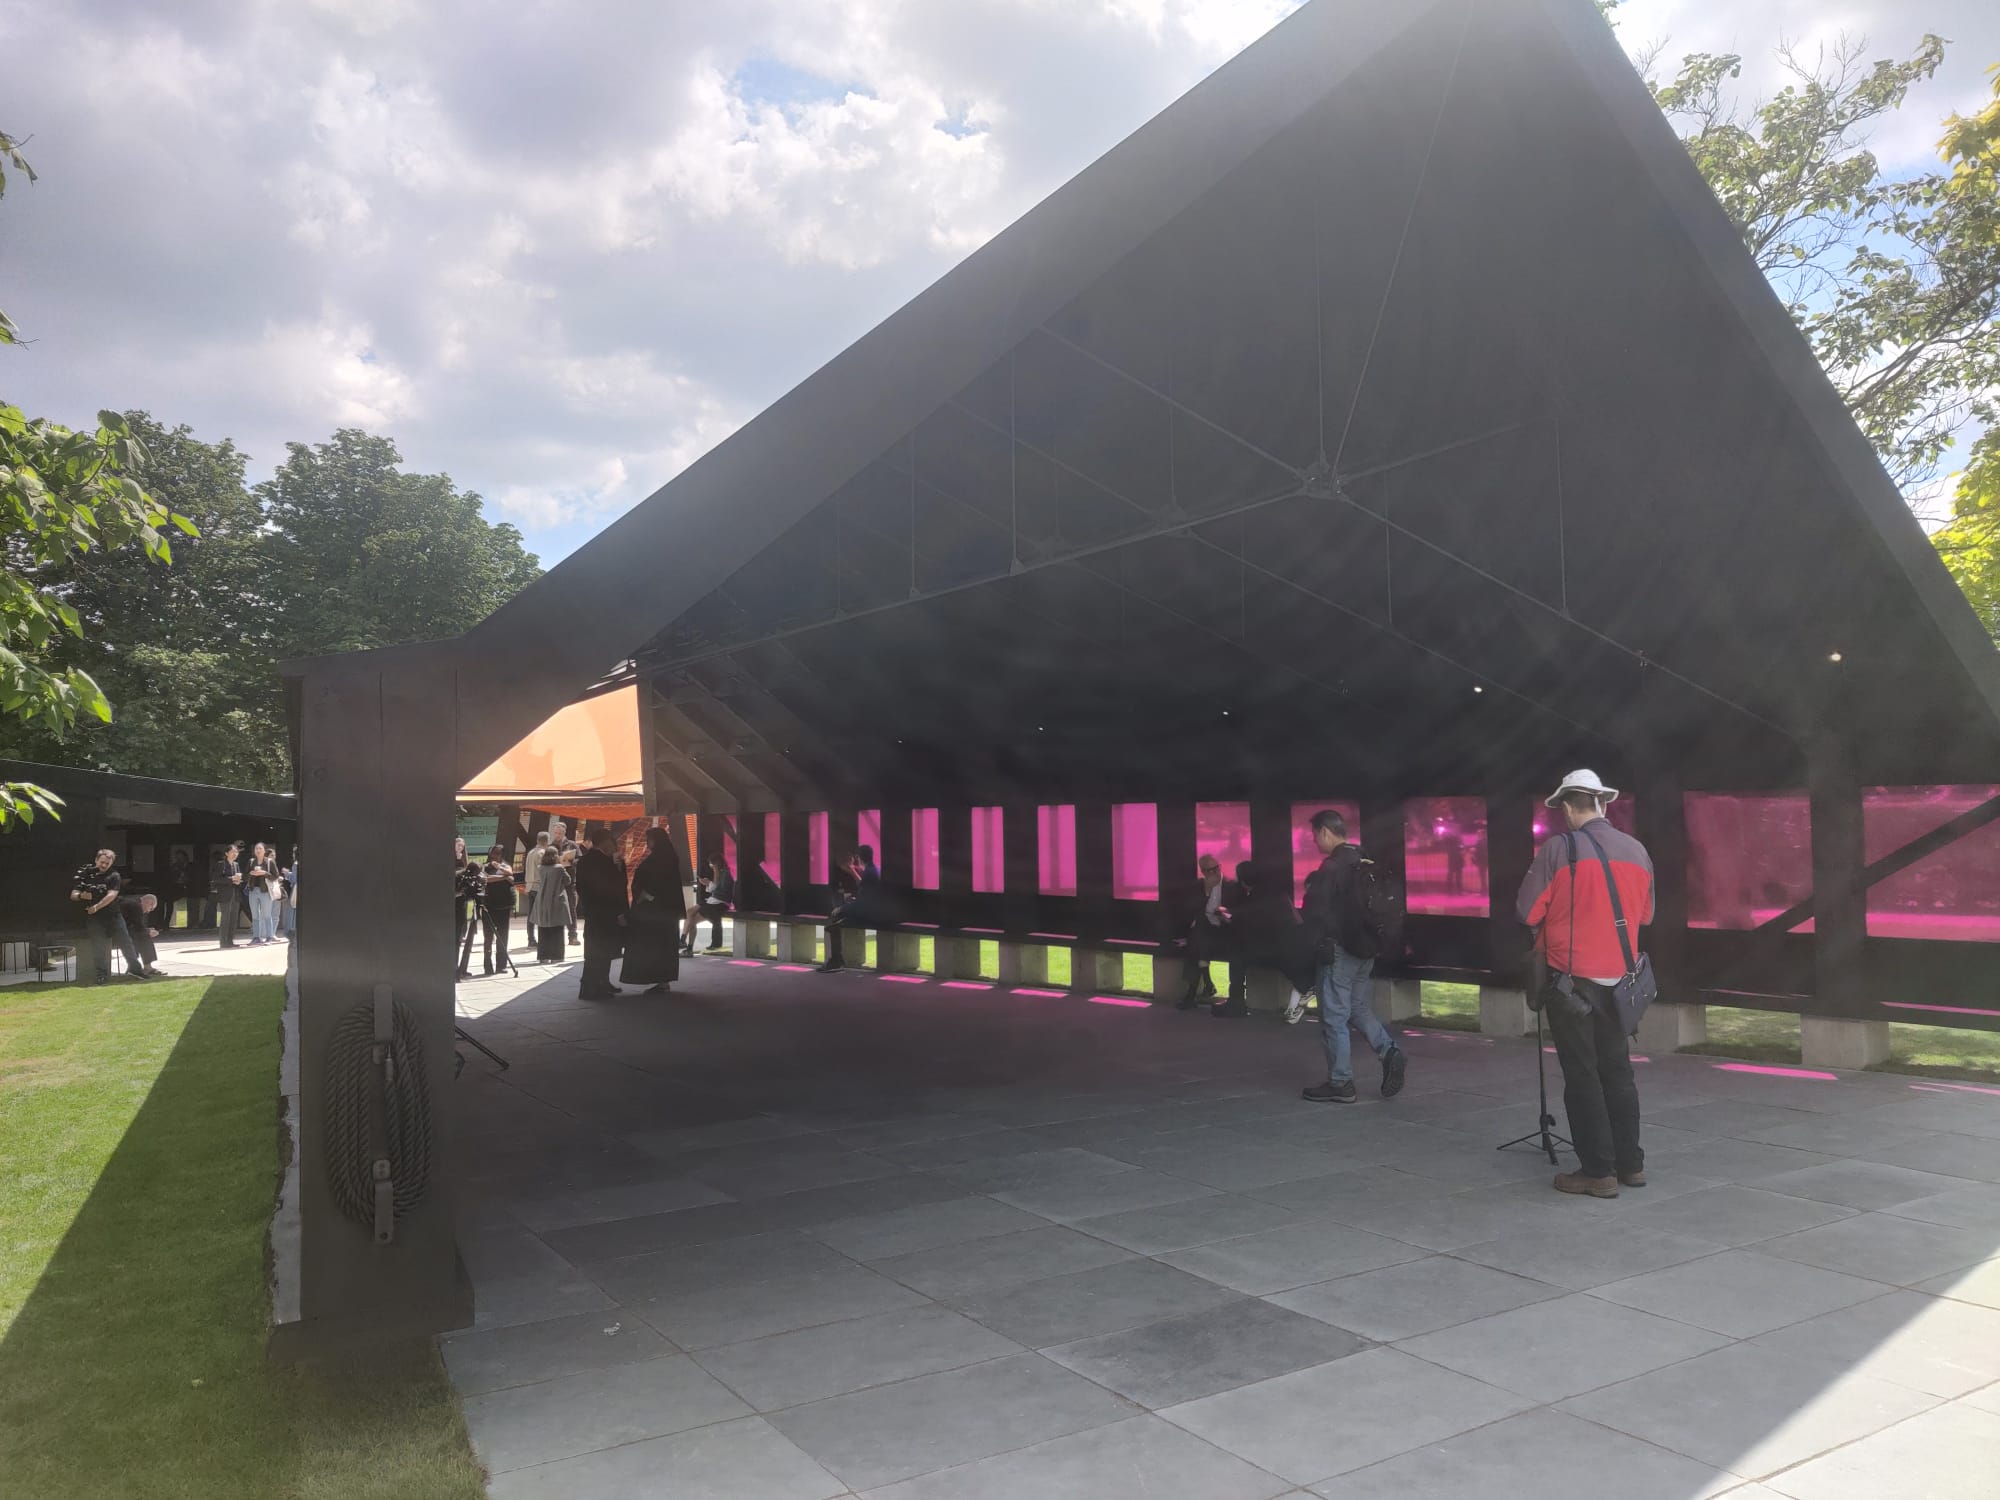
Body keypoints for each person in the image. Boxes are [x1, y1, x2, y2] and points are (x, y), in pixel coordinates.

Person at [1517, 769, 1656, 1199]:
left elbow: (1527, 910)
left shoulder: (1559, 849)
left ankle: (1598, 1171)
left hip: (1571, 982)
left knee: (1582, 1076)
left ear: (1569, 807)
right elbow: (1646, 916)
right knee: (1617, 1071)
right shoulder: (1637, 850)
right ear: (1603, 803)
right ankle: (1630, 1163)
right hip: (1621, 983)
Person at [1300, 809, 1407, 1103]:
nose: (1315, 841)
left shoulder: (1333, 867)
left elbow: (1314, 910)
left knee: (1334, 1016)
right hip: (1366, 948)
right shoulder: (1363, 859)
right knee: (1358, 1007)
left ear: (1325, 831)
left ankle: (1341, 1082)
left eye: (1314, 835)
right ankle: (1389, 1050)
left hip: (1339, 951)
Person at [1216, 860, 1314, 1020]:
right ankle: (1305, 983)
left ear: (1243, 881)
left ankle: (1236, 1003)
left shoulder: (1257, 896)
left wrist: (1229, 915)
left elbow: (1250, 922)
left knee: (1236, 955)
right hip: (1292, 945)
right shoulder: (1274, 892)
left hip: (1276, 948)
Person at [619, 826, 685, 995]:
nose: (647, 843)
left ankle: (660, 980)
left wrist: (644, 896)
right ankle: (663, 980)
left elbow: (657, 885)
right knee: (661, 945)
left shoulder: (661, 859)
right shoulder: (667, 857)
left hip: (655, 912)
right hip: (663, 912)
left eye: (649, 840)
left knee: (655, 945)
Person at [71, 850, 148, 982]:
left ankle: (136, 970)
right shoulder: (86, 874)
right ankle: (101, 975)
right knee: (98, 946)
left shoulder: (114, 875)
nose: (104, 865)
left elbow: (111, 895)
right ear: (96, 860)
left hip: (113, 915)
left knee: (126, 943)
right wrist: (81, 896)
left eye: (107, 863)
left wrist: (97, 906)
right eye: (102, 862)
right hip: (94, 918)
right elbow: (73, 894)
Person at [574, 829, 629, 999]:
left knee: (598, 950)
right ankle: (594, 986)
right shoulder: (602, 861)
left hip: (594, 911)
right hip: (605, 912)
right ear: (605, 842)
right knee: (600, 950)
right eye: (612, 843)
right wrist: (618, 867)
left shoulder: (586, 860)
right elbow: (614, 886)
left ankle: (600, 983)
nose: (614, 846)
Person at [1178, 854, 1232, 1008]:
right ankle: (1204, 986)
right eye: (1207, 870)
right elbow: (1190, 908)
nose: (1212, 873)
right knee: (1199, 934)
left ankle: (1193, 993)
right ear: (1202, 872)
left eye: (1215, 869)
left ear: (1220, 867)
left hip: (1224, 931)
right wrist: (1207, 892)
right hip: (1204, 933)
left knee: (1195, 942)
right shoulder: (1198, 886)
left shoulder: (1231, 885)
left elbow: (1235, 913)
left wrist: (1224, 913)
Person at [817, 845, 882, 973]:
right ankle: (836, 959)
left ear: (858, 857)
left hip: (869, 912)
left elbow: (862, 901)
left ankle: (836, 960)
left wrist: (843, 908)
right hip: (871, 908)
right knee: (836, 918)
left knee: (835, 920)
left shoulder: (869, 872)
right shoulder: (872, 870)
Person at [682, 857, 735, 955]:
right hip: (712, 901)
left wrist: (709, 883)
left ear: (716, 864)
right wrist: (707, 883)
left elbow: (720, 891)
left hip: (717, 903)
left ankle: (686, 945)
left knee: (691, 919)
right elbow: (714, 889)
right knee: (690, 914)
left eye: (711, 865)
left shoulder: (725, 874)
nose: (711, 867)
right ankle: (685, 943)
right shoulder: (719, 873)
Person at [534, 847, 576, 962]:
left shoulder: (540, 868)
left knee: (543, 929)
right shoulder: (559, 868)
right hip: (557, 900)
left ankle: (543, 956)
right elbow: (568, 881)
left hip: (542, 900)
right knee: (557, 929)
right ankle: (556, 956)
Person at [117, 892, 166, 976]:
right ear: (148, 902)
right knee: (144, 937)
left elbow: (134, 925)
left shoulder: (133, 903)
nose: (148, 911)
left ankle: (136, 966)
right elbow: (138, 926)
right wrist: (148, 932)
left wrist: (146, 930)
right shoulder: (136, 906)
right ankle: (146, 967)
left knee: (142, 935)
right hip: (117, 932)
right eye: (150, 908)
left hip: (120, 930)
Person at [244, 842, 280, 945]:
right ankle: (256, 937)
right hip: (253, 891)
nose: (258, 850)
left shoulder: (269, 862)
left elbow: (276, 876)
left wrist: (265, 873)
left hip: (265, 891)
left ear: (264, 850)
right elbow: (245, 876)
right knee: (255, 915)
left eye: (260, 848)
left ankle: (269, 937)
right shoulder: (251, 862)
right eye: (256, 849)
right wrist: (251, 874)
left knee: (267, 915)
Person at [211, 843, 245, 948]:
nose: (235, 854)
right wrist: (231, 879)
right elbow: (216, 879)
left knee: (233, 918)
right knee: (225, 918)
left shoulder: (236, 865)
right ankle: (223, 941)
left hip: (235, 894)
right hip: (225, 894)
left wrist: (238, 881)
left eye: (236, 852)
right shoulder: (221, 864)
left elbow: (238, 879)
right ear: (226, 853)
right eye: (232, 852)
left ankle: (230, 941)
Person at [521, 831, 551, 942]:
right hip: (539, 886)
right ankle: (541, 939)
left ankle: (531, 939)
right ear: (547, 841)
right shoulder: (542, 853)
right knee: (541, 914)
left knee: (531, 915)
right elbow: (543, 870)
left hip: (530, 886)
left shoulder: (531, 852)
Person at [187, 849, 213, 931]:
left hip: (196, 889)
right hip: (197, 889)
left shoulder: (193, 867)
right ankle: (195, 923)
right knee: (195, 907)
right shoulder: (201, 867)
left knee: (194, 907)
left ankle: (194, 924)